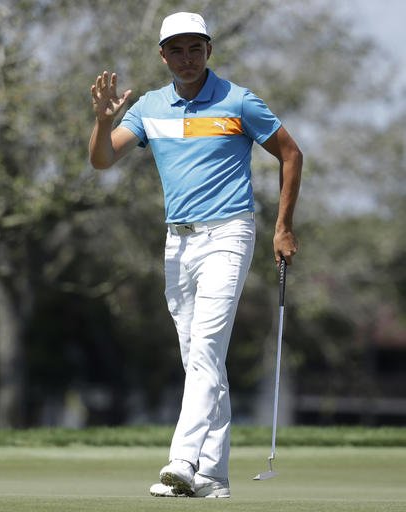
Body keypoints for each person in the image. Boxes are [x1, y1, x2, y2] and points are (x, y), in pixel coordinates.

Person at [89, 11, 302, 499]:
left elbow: (291, 153)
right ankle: (212, 477)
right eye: (177, 50)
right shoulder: (148, 108)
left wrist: (283, 225)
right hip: (177, 241)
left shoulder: (239, 101)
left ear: (209, 50)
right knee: (200, 358)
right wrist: (104, 124)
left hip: (229, 232)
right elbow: (102, 160)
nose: (187, 59)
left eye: (195, 48)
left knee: (205, 349)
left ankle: (182, 460)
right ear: (163, 55)